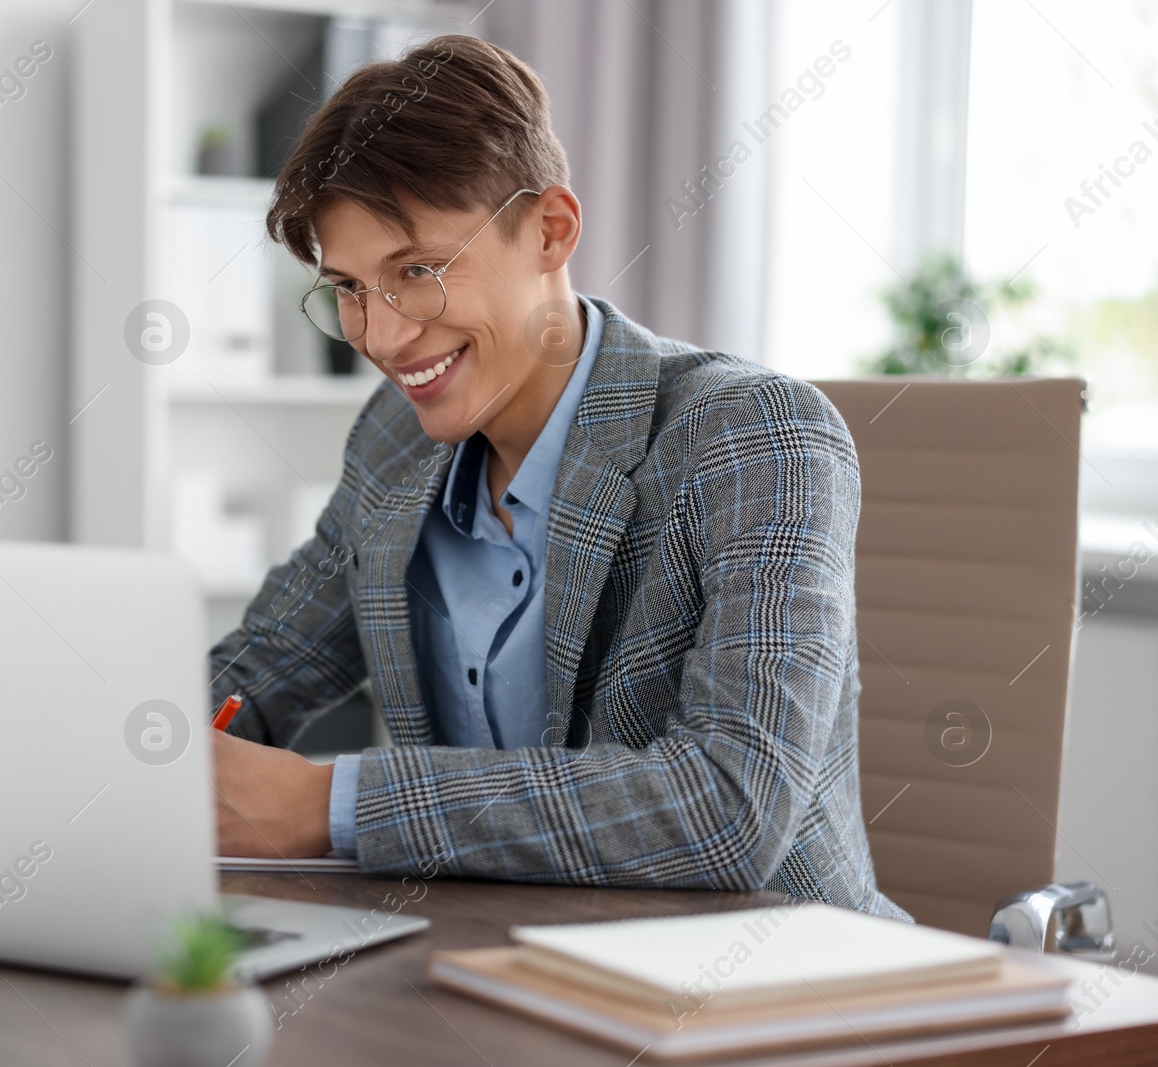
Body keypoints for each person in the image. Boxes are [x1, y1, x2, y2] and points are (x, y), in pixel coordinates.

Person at [208, 34, 907, 919]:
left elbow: (729, 805)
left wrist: (325, 804)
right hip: (488, 969)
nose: (380, 337)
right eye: (348, 288)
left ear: (550, 230)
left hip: (772, 990)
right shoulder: (393, 440)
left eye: (416, 272)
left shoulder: (753, 438)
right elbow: (263, 666)